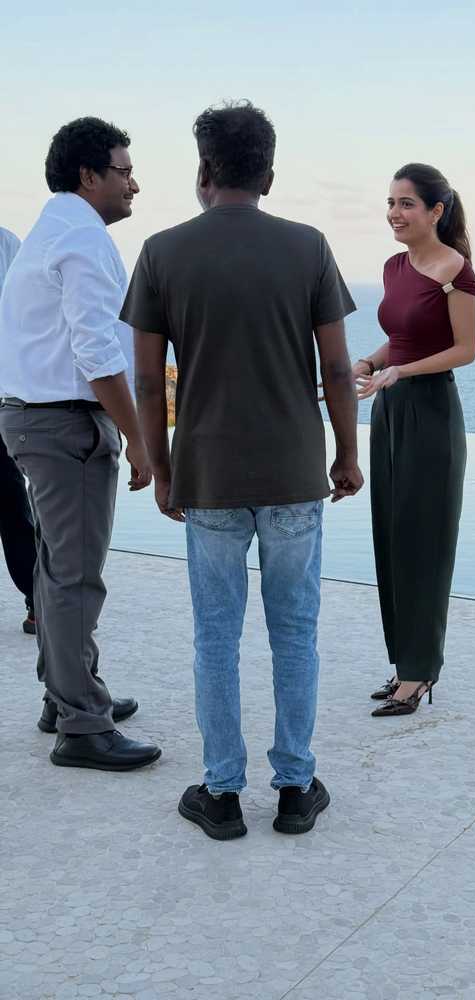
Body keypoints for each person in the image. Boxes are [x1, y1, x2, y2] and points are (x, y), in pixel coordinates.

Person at [123, 100, 362, 841]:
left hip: (209, 475)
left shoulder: (162, 252)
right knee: (295, 635)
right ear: (269, 173)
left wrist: (161, 466)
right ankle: (295, 788)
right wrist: (346, 453)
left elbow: (146, 379)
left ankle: (222, 793)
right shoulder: (308, 246)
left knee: (215, 639)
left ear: (204, 169)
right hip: (294, 473)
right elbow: (337, 368)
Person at [0, 118, 161, 769]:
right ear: (89, 175)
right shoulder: (83, 240)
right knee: (75, 576)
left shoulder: (51, 230)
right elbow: (97, 352)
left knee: (55, 566)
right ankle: (83, 726)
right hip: (65, 424)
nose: (134, 184)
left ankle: (65, 692)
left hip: (34, 418)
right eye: (125, 171)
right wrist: (139, 440)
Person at [356, 164, 475, 717]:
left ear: (436, 211)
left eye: (406, 203)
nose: (395, 214)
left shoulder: (457, 271)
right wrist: (367, 362)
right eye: (390, 203)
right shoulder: (394, 267)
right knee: (391, 536)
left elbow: (465, 350)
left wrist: (401, 372)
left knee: (425, 542)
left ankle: (421, 670)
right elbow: (399, 336)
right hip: (390, 408)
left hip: (431, 413)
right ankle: (403, 663)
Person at [0, 225, 37, 635]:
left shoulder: (8, 244)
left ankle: (38, 599)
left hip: (4, 396)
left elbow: (28, 317)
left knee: (12, 502)